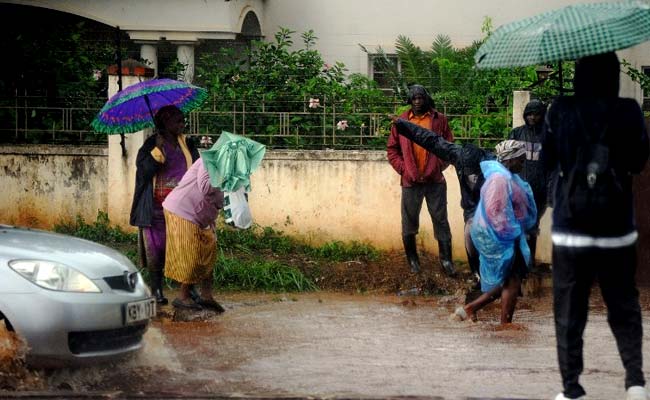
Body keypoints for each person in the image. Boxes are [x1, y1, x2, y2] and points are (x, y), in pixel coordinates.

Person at [543, 52, 649, 400]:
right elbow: (637, 161)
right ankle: (635, 382)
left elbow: (548, 160)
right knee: (624, 306)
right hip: (617, 229)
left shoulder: (559, 109)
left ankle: (572, 389)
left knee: (569, 310)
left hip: (570, 230)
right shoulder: (629, 111)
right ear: (615, 75)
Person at [391, 117, 494, 284]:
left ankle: (498, 276)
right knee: (470, 237)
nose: (468, 174)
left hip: (491, 207)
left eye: (471, 171)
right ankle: (477, 275)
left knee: (490, 241)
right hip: (471, 208)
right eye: (465, 170)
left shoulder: (493, 163)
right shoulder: (457, 154)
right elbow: (429, 139)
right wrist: (403, 125)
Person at [453, 140, 536, 324]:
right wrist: (512, 232)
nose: (523, 165)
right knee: (511, 279)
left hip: (499, 235)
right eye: (520, 160)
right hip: (500, 237)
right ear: (510, 159)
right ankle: (485, 315)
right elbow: (495, 211)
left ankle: (473, 311)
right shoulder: (500, 179)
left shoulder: (501, 175)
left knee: (510, 279)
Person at [129, 105, 199, 305]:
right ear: (165, 123)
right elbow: (143, 173)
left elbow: (197, 169)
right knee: (156, 249)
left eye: (182, 120)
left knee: (185, 248)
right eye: (177, 120)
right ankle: (157, 290)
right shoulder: (151, 145)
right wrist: (157, 152)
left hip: (182, 208)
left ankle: (188, 289)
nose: (182, 124)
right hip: (156, 209)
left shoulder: (188, 144)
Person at [387, 84, 455, 275]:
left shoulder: (439, 119)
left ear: (426, 99)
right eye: (414, 98)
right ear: (410, 101)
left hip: (435, 181)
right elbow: (392, 150)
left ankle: (447, 261)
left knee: (440, 219)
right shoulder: (401, 121)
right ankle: (413, 262)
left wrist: (438, 166)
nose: (417, 101)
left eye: (420, 98)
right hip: (411, 182)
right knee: (409, 222)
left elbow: (448, 146)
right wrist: (404, 169)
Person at [162, 157, 225, 312]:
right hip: (183, 210)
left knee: (208, 253)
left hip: (202, 216)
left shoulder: (233, 171)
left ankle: (206, 296)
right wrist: (225, 179)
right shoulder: (209, 160)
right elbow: (205, 187)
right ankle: (182, 296)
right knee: (193, 253)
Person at [508, 99, 548, 265]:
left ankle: (528, 260)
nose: (532, 117)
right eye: (529, 114)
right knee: (515, 224)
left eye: (536, 114)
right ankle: (515, 260)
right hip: (518, 188)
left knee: (532, 226)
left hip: (539, 190)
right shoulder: (516, 133)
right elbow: (506, 159)